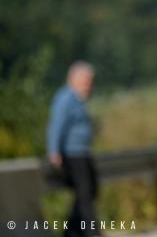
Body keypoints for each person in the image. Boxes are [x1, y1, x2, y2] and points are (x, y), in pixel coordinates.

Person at [47, 61, 100, 237]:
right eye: (86, 81)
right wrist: (54, 151)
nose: (89, 86)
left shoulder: (78, 99)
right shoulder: (65, 98)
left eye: (90, 82)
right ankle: (92, 233)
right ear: (74, 79)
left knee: (90, 190)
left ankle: (71, 232)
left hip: (82, 152)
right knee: (84, 193)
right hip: (72, 154)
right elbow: (56, 125)